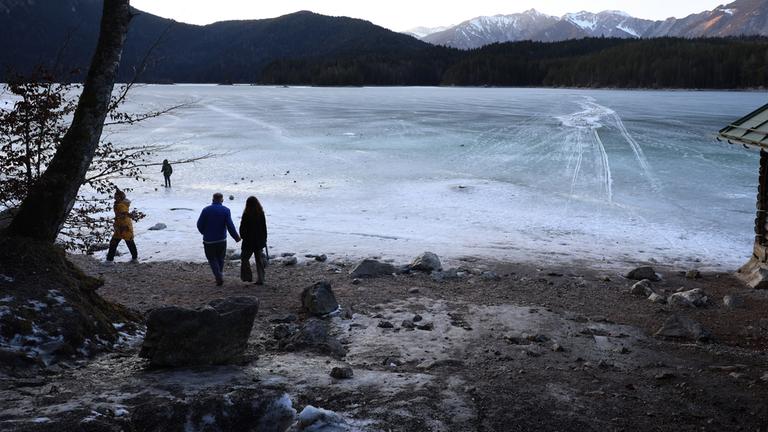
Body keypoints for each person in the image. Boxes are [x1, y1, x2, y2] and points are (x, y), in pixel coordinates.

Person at [197, 193, 240, 286]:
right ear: (222, 200)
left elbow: (199, 224)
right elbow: (230, 226)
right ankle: (219, 275)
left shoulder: (206, 210)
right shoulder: (226, 210)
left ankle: (218, 275)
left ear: (213, 199)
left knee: (212, 259)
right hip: (221, 240)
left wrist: (204, 233)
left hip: (208, 241)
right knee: (220, 259)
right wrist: (236, 237)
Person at [239, 196, 268, 285]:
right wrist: (264, 240)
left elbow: (242, 228)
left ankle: (247, 277)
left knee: (244, 258)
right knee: (259, 260)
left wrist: (243, 236)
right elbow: (264, 228)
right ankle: (261, 279)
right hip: (259, 241)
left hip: (248, 241)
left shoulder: (246, 214)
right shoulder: (261, 213)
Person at [106, 190, 138, 262]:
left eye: (116, 196)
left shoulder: (120, 205)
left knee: (114, 243)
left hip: (123, 226)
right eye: (115, 195)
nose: (114, 197)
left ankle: (109, 260)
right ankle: (134, 258)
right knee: (129, 241)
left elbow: (124, 213)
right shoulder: (121, 203)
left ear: (120, 197)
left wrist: (128, 215)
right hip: (123, 225)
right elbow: (125, 213)